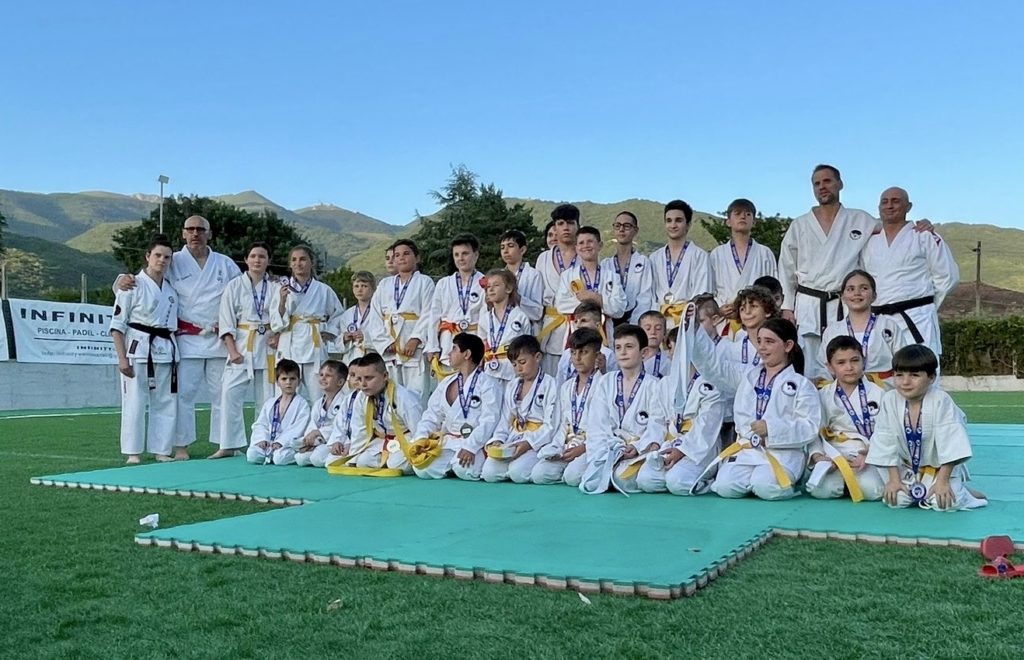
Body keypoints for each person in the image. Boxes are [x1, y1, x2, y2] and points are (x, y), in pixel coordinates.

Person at [114, 215, 241, 459]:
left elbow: (242, 291)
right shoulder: (175, 260)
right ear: (183, 233)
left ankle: (227, 444)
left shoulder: (224, 263)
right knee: (182, 396)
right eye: (190, 229)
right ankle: (181, 446)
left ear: (209, 233)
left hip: (218, 339)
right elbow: (145, 281)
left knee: (223, 394)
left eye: (200, 229)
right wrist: (121, 280)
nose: (195, 233)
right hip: (186, 340)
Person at [690, 317, 821, 500]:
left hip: (782, 454)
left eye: (769, 342)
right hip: (748, 451)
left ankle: (789, 481)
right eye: (759, 341)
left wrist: (771, 429)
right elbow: (714, 366)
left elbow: (810, 426)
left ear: (788, 345)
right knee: (725, 487)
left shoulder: (802, 385)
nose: (762, 347)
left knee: (765, 486)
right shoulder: (747, 375)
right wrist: (695, 329)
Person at [866, 345, 987, 511]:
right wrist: (894, 480)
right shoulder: (889, 400)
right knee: (896, 501)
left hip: (940, 470)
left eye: (914, 375)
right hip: (907, 469)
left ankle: (964, 493)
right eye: (899, 375)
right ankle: (938, 489)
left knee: (945, 503)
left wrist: (943, 482)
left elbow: (952, 444)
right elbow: (885, 442)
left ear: (931, 377)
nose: (905, 382)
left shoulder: (941, 400)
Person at [861, 187, 959, 360]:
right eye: (885, 202)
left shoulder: (924, 236)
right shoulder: (869, 241)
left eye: (896, 201)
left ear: (909, 206)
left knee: (921, 369)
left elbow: (947, 277)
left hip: (917, 318)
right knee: (880, 372)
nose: (889, 206)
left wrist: (927, 306)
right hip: (879, 319)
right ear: (879, 207)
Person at [636, 313, 726, 495]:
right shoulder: (664, 384)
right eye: (674, 348)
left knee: (677, 482)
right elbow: (656, 420)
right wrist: (654, 443)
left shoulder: (710, 384)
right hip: (670, 442)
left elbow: (707, 426)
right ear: (669, 352)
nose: (679, 353)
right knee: (646, 481)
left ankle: (706, 481)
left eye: (684, 347)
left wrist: (683, 451)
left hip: (699, 447)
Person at [110, 235, 179, 465]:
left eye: (167, 257)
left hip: (166, 350)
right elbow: (117, 326)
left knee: (166, 401)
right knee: (134, 402)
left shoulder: (171, 291)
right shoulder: (130, 286)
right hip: (137, 350)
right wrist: (122, 359)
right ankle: (133, 452)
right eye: (157, 255)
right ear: (148, 256)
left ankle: (162, 450)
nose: (162, 260)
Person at [578, 324, 662, 494]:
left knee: (620, 479)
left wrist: (637, 447)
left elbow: (657, 424)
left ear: (644, 352)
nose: (623, 352)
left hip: (637, 450)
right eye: (618, 347)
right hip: (609, 448)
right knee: (576, 476)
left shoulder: (655, 385)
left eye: (629, 347)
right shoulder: (606, 381)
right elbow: (597, 423)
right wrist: (608, 450)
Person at [408, 333, 503, 480]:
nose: (448, 354)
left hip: (474, 442)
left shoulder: (488, 383)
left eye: (453, 349)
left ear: (467, 354)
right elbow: (431, 415)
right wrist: (421, 437)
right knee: (422, 468)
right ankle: (451, 464)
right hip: (450, 441)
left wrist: (471, 446)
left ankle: (464, 463)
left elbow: (489, 420)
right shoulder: (446, 383)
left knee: (463, 470)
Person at [212, 241, 276, 459]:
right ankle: (229, 444)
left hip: (267, 346)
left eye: (262, 256)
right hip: (242, 343)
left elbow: (282, 317)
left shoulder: (275, 288)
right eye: (253, 256)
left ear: (268, 261)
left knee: (267, 398)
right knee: (229, 393)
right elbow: (226, 320)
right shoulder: (234, 286)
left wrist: (277, 336)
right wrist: (232, 351)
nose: (257, 260)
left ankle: (263, 443)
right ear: (246, 260)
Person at [806, 336, 886, 502]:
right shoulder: (823, 395)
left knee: (873, 491)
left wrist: (870, 453)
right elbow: (814, 431)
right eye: (841, 363)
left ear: (864, 361)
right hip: (834, 452)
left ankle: (849, 482)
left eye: (855, 360)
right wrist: (818, 456)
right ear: (830, 367)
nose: (849, 367)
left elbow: (886, 432)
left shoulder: (879, 393)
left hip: (865, 451)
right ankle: (844, 482)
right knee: (820, 490)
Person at [324, 353, 423, 476]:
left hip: (407, 438)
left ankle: (393, 460)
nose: (363, 384)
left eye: (369, 378)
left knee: (396, 464)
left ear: (385, 376)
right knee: (362, 462)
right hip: (382, 440)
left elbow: (419, 430)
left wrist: (418, 451)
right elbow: (359, 431)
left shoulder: (404, 397)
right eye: (359, 379)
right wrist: (353, 459)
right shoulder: (361, 397)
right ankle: (387, 459)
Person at [481, 335, 560, 483]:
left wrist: (529, 443)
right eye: (514, 364)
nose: (519, 368)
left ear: (537, 357)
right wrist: (498, 439)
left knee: (517, 472)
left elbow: (551, 425)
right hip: (514, 438)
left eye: (523, 362)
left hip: (537, 441)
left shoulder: (551, 385)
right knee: (489, 473)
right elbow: (505, 419)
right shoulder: (512, 385)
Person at [270, 245, 344, 400]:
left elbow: (338, 314)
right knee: (285, 395)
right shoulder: (281, 289)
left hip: (313, 344)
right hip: (289, 344)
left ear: (311, 262)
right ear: (290, 264)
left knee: (319, 394)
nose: (298, 263)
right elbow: (275, 323)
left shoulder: (323, 290)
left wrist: (329, 332)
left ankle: (320, 416)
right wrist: (282, 301)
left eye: (303, 259)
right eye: (294, 260)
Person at [364, 239, 435, 398]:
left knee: (417, 394)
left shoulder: (425, 282)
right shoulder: (384, 284)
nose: (401, 258)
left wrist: (416, 338)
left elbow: (429, 313)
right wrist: (384, 342)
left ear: (417, 258)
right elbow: (374, 316)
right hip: (390, 348)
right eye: (397, 255)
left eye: (406, 254)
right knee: (391, 394)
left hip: (414, 348)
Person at [534, 327, 604, 486]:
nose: (577, 358)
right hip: (568, 444)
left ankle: (579, 470)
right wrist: (557, 447)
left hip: (591, 445)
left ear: (597, 355)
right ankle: (568, 469)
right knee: (539, 474)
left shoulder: (605, 384)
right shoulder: (567, 387)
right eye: (573, 352)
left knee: (572, 477)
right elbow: (563, 424)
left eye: (584, 352)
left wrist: (584, 448)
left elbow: (607, 427)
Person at [815, 270, 910, 387]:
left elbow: (904, 363)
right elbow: (823, 367)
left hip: (883, 389)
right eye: (850, 289)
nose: (857, 293)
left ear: (874, 296)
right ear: (843, 297)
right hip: (844, 391)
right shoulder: (832, 331)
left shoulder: (888, 326)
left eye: (864, 288)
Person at [554, 225, 626, 349]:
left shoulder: (612, 276)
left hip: (604, 331)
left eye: (590, 241)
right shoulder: (567, 276)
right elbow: (561, 305)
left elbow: (619, 309)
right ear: (576, 248)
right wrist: (588, 299)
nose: (586, 245)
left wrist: (597, 298)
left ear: (600, 245)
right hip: (576, 330)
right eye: (581, 243)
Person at [426, 235, 485, 380]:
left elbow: (487, 318)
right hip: (448, 342)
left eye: (465, 253)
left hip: (474, 339)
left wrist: (485, 348)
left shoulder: (485, 282)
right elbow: (434, 316)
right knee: (447, 387)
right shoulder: (443, 283)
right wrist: (433, 346)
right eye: (456, 255)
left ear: (476, 255)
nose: (461, 258)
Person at [649, 200, 713, 329]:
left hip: (687, 321)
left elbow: (702, 294)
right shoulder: (654, 258)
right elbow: (650, 295)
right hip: (659, 322)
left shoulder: (699, 255)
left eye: (678, 220)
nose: (673, 225)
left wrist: (689, 311)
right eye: (669, 221)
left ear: (688, 225)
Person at [710, 199, 778, 316]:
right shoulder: (716, 254)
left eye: (748, 214)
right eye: (737, 213)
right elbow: (710, 288)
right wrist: (718, 308)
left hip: (757, 316)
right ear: (728, 222)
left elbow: (773, 288)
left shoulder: (765, 253)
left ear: (754, 222)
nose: (743, 216)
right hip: (725, 316)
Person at [535, 205, 579, 373]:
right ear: (555, 227)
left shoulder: (586, 256)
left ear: (578, 226)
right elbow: (537, 297)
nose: (566, 228)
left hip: (578, 325)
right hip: (551, 328)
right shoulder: (543, 258)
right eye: (561, 223)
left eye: (570, 223)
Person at [245, 359, 312, 465]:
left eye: (292, 379)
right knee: (251, 454)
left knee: (279, 458)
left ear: (299, 382)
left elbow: (299, 428)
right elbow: (261, 424)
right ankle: (270, 453)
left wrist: (281, 442)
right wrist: (262, 439)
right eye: (284, 379)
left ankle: (296, 453)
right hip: (269, 443)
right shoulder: (270, 403)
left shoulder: (302, 404)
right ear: (277, 382)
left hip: (287, 445)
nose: (288, 382)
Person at [477, 268, 532, 382]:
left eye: (496, 285)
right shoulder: (485, 318)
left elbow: (527, 347)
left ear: (508, 288)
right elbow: (481, 344)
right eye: (488, 286)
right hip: (490, 371)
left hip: (513, 371)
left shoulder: (520, 316)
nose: (491, 289)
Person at [294, 360, 349, 467]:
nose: (323, 378)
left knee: (317, 458)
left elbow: (341, 427)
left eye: (328, 375)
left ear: (340, 382)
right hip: (320, 441)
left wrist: (318, 433)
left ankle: (341, 458)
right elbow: (312, 425)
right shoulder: (318, 403)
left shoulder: (345, 401)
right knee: (300, 459)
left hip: (336, 441)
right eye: (321, 374)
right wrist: (310, 441)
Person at [602, 211, 653, 325]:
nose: (621, 229)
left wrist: (634, 325)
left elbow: (645, 298)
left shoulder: (643, 262)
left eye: (627, 226)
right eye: (618, 225)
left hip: (635, 323)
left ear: (636, 230)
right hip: (609, 321)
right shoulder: (605, 264)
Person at [554, 301, 617, 382]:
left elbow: (613, 384)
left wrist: (603, 370)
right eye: (576, 321)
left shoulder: (608, 354)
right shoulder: (567, 354)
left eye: (583, 321)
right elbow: (559, 382)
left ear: (597, 325)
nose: (578, 325)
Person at [499, 229, 544, 332]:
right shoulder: (498, 276)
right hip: (503, 329)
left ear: (522, 250)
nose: (505, 251)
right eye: (502, 247)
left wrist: (516, 297)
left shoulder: (533, 274)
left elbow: (537, 313)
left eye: (510, 246)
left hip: (526, 330)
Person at [337, 271, 376, 365]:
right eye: (356, 286)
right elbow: (338, 344)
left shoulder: (379, 311)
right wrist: (344, 339)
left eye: (364, 286)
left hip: (372, 357)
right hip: (352, 358)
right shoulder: (347, 314)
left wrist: (365, 337)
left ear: (373, 289)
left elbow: (384, 337)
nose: (360, 289)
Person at [639, 310, 670, 379]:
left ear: (664, 333)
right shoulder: (630, 357)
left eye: (658, 329)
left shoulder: (668, 361)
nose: (653, 332)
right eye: (648, 329)